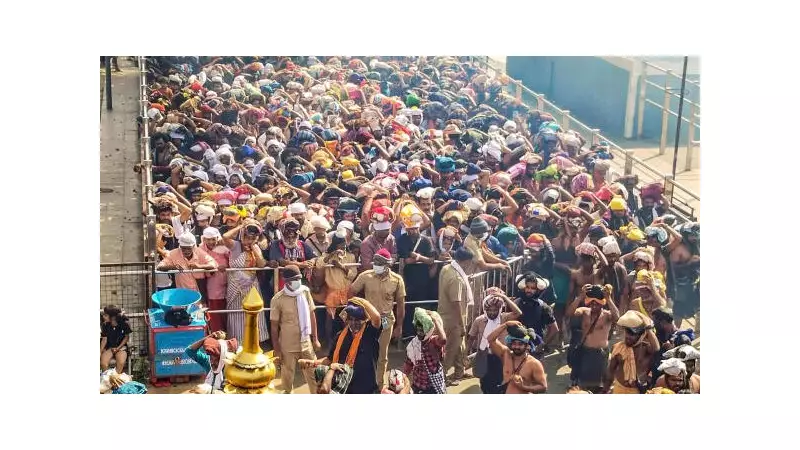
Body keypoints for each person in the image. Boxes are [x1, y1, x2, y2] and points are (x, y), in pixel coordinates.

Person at [298, 298, 385, 394]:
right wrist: (312, 362)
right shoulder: (340, 336)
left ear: (364, 320)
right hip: (344, 389)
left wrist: (363, 302)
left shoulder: (369, 332)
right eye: (350, 319)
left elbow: (376, 317)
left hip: (366, 389)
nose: (353, 323)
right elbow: (329, 360)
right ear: (346, 319)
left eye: (357, 320)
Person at [348, 248, 406, 389]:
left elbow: (400, 304)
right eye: (375, 263)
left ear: (387, 265)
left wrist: (399, 326)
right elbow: (352, 291)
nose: (376, 266)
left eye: (380, 264)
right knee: (364, 351)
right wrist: (354, 312)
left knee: (382, 354)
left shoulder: (397, 280)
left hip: (386, 321)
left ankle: (379, 384)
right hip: (368, 321)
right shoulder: (366, 276)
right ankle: (363, 380)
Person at [270, 265, 321, 394]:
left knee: (314, 374)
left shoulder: (305, 291)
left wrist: (315, 339)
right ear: (286, 282)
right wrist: (277, 349)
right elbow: (274, 327)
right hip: (288, 345)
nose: (298, 282)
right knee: (287, 378)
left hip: (306, 342)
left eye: (299, 279)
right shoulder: (277, 299)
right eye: (294, 280)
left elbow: (311, 315)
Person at [565, 284, 620, 392]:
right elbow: (569, 313)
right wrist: (580, 296)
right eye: (592, 303)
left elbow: (617, 317)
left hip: (601, 354)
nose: (594, 305)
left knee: (600, 386)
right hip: (586, 352)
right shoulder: (584, 311)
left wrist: (608, 298)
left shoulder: (607, 315)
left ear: (602, 303)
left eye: (597, 303)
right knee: (583, 384)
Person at [222, 219, 269, 344]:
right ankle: (237, 343)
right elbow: (225, 237)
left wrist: (254, 249)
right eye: (247, 237)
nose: (249, 240)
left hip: (252, 286)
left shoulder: (256, 248)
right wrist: (241, 226)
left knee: (253, 312)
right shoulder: (235, 245)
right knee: (236, 313)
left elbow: (261, 265)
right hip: (235, 285)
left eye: (253, 237)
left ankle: (255, 341)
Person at [468, 290, 522, 394]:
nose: (492, 313)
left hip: (502, 357)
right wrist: (466, 353)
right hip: (485, 356)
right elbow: (471, 337)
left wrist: (504, 298)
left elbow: (518, 313)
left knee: (502, 382)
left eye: (495, 310)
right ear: (485, 309)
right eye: (489, 310)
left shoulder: (504, 318)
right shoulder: (479, 320)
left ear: (500, 309)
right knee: (485, 383)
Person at [437, 246, 475, 385]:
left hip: (445, 315)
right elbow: (456, 303)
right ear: (465, 262)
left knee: (460, 346)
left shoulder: (446, 269)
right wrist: (461, 324)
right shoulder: (457, 278)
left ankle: (460, 371)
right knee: (451, 348)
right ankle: (442, 376)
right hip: (454, 319)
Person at [486, 321, 548, 394]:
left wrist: (523, 387)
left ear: (527, 345)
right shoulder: (506, 355)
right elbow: (490, 339)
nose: (516, 347)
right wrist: (506, 325)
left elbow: (543, 387)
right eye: (514, 343)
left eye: (520, 344)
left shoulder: (534, 364)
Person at [607, 310, 660, 393]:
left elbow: (656, 348)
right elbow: (610, 371)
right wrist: (606, 389)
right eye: (627, 332)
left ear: (641, 335)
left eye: (632, 334)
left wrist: (648, 328)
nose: (628, 336)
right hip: (619, 389)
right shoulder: (618, 348)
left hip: (637, 391)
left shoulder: (646, 349)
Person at [402, 308, 447, 394]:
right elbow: (408, 364)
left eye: (422, 331)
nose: (419, 333)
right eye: (418, 330)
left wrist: (435, 320)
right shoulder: (413, 345)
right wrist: (402, 378)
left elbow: (443, 340)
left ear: (428, 330)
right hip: (418, 385)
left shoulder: (433, 342)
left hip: (433, 386)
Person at [514, 272, 559, 358]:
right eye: (527, 287)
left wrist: (542, 345)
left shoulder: (543, 307)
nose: (529, 290)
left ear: (537, 289)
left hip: (534, 351)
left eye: (533, 288)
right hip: (516, 349)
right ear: (523, 287)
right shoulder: (516, 303)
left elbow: (554, 329)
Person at [199, 227, 229, 332]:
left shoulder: (224, 247)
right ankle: (217, 334)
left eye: (213, 239)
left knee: (227, 311)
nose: (211, 242)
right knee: (215, 311)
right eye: (208, 239)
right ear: (204, 239)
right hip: (212, 285)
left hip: (228, 283)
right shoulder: (200, 249)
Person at [100, 305, 132, 374]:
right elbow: (104, 340)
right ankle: (108, 379)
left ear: (112, 317)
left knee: (120, 363)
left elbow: (126, 337)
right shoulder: (105, 325)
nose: (103, 317)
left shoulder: (124, 324)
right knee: (103, 364)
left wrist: (118, 348)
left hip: (121, 348)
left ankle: (116, 380)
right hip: (110, 348)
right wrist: (100, 351)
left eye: (105, 315)